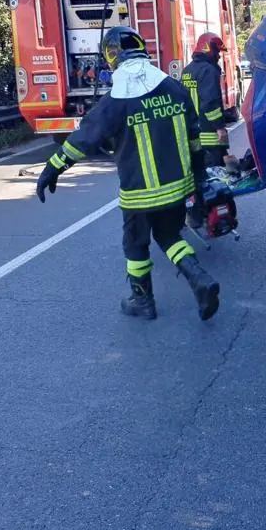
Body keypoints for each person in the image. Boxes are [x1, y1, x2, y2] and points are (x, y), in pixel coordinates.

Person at [35, 26, 221, 322]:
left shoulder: (115, 100)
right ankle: (199, 280)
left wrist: (52, 168)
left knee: (135, 244)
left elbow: (84, 139)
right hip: (178, 187)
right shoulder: (174, 88)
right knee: (169, 235)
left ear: (111, 57)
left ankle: (142, 300)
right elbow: (195, 139)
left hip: (139, 194)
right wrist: (199, 179)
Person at [181, 32, 230, 168]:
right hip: (210, 135)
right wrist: (219, 128)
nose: (218, 55)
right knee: (217, 176)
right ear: (208, 48)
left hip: (193, 135)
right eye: (216, 51)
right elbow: (209, 103)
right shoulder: (208, 70)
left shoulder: (187, 71)